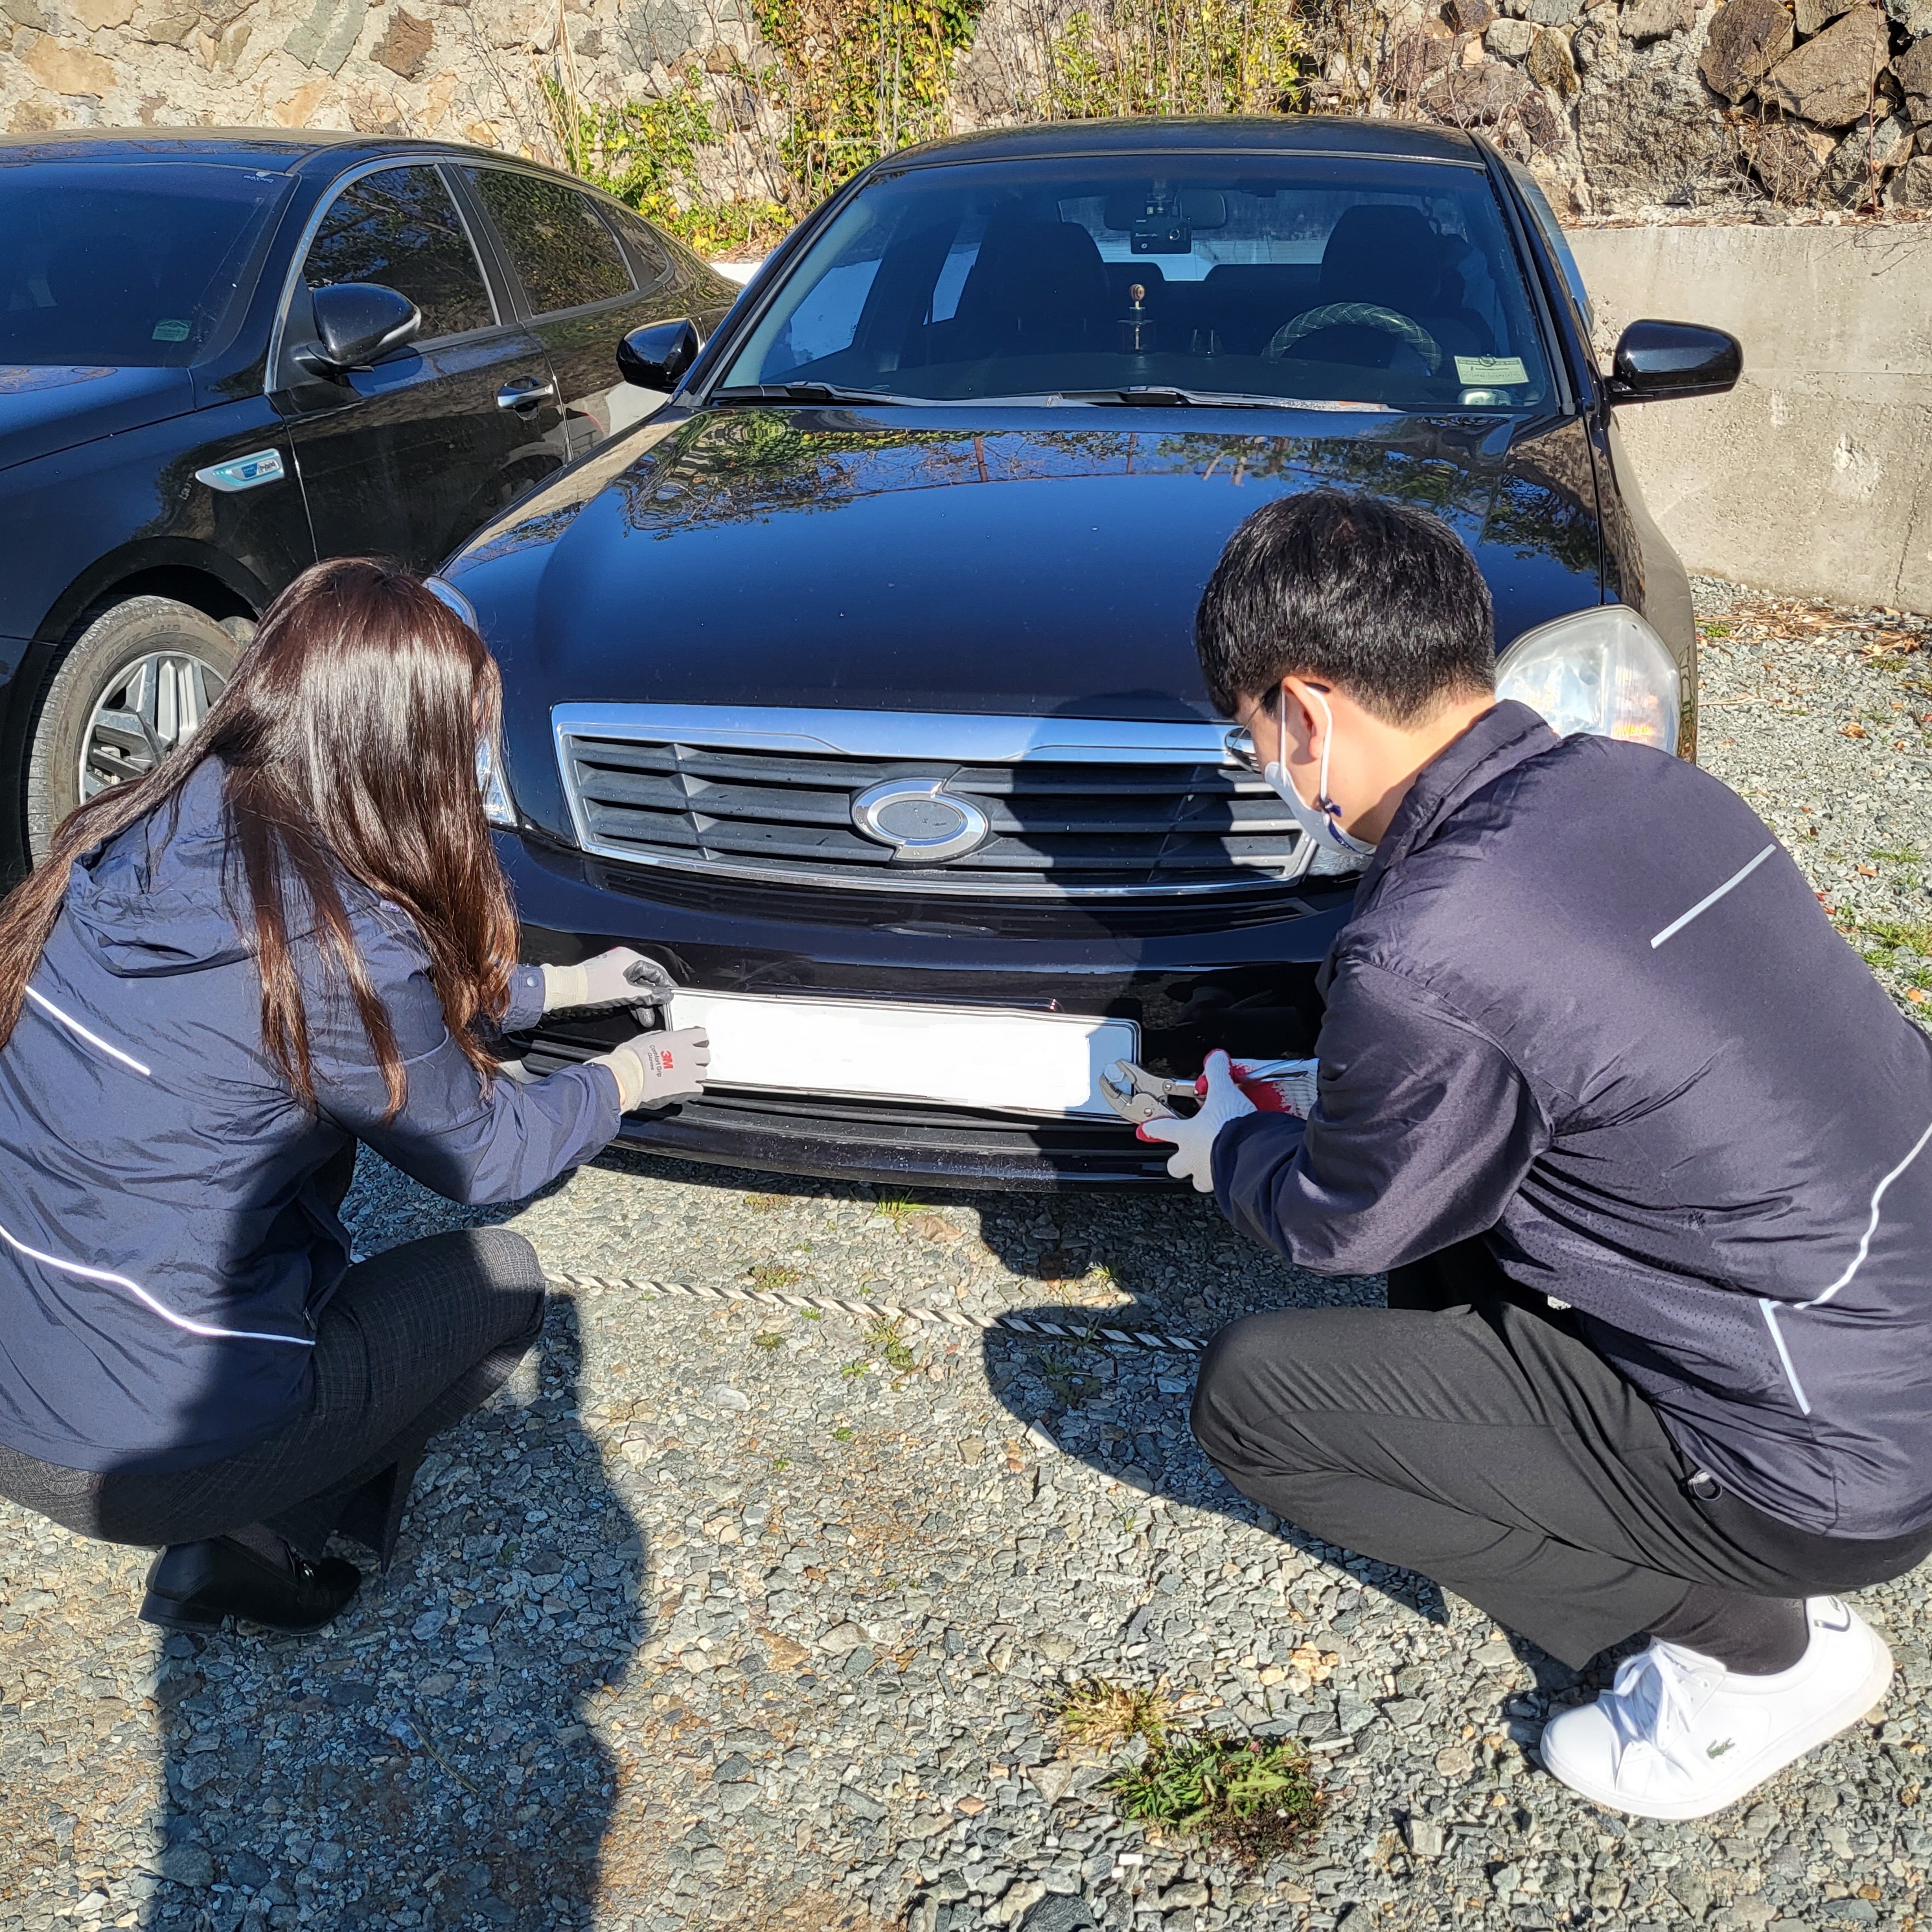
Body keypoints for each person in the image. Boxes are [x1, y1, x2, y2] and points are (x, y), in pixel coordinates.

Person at [1142, 490, 1932, 1821]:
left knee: (1255, 1399)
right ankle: (1691, 1545)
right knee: (1456, 1223)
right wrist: (1341, 1085)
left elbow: (1345, 1225)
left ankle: (1754, 1652)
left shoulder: (1427, 944)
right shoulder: (1642, 786)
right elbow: (1591, 1047)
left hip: (1830, 1478)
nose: (1266, 770)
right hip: (1887, 1336)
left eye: (1254, 740)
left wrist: (1231, 1144)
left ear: (1309, 711)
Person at [0, 558, 710, 1637]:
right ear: (398, 743)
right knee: (501, 1285)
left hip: (20, 1387)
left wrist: (562, 988)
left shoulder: (134, 825)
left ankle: (240, 1494)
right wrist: (626, 1077)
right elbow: (485, 1157)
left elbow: (355, 1002)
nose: (471, 760)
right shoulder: (338, 949)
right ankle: (257, 1544)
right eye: (462, 734)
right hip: (136, 1457)